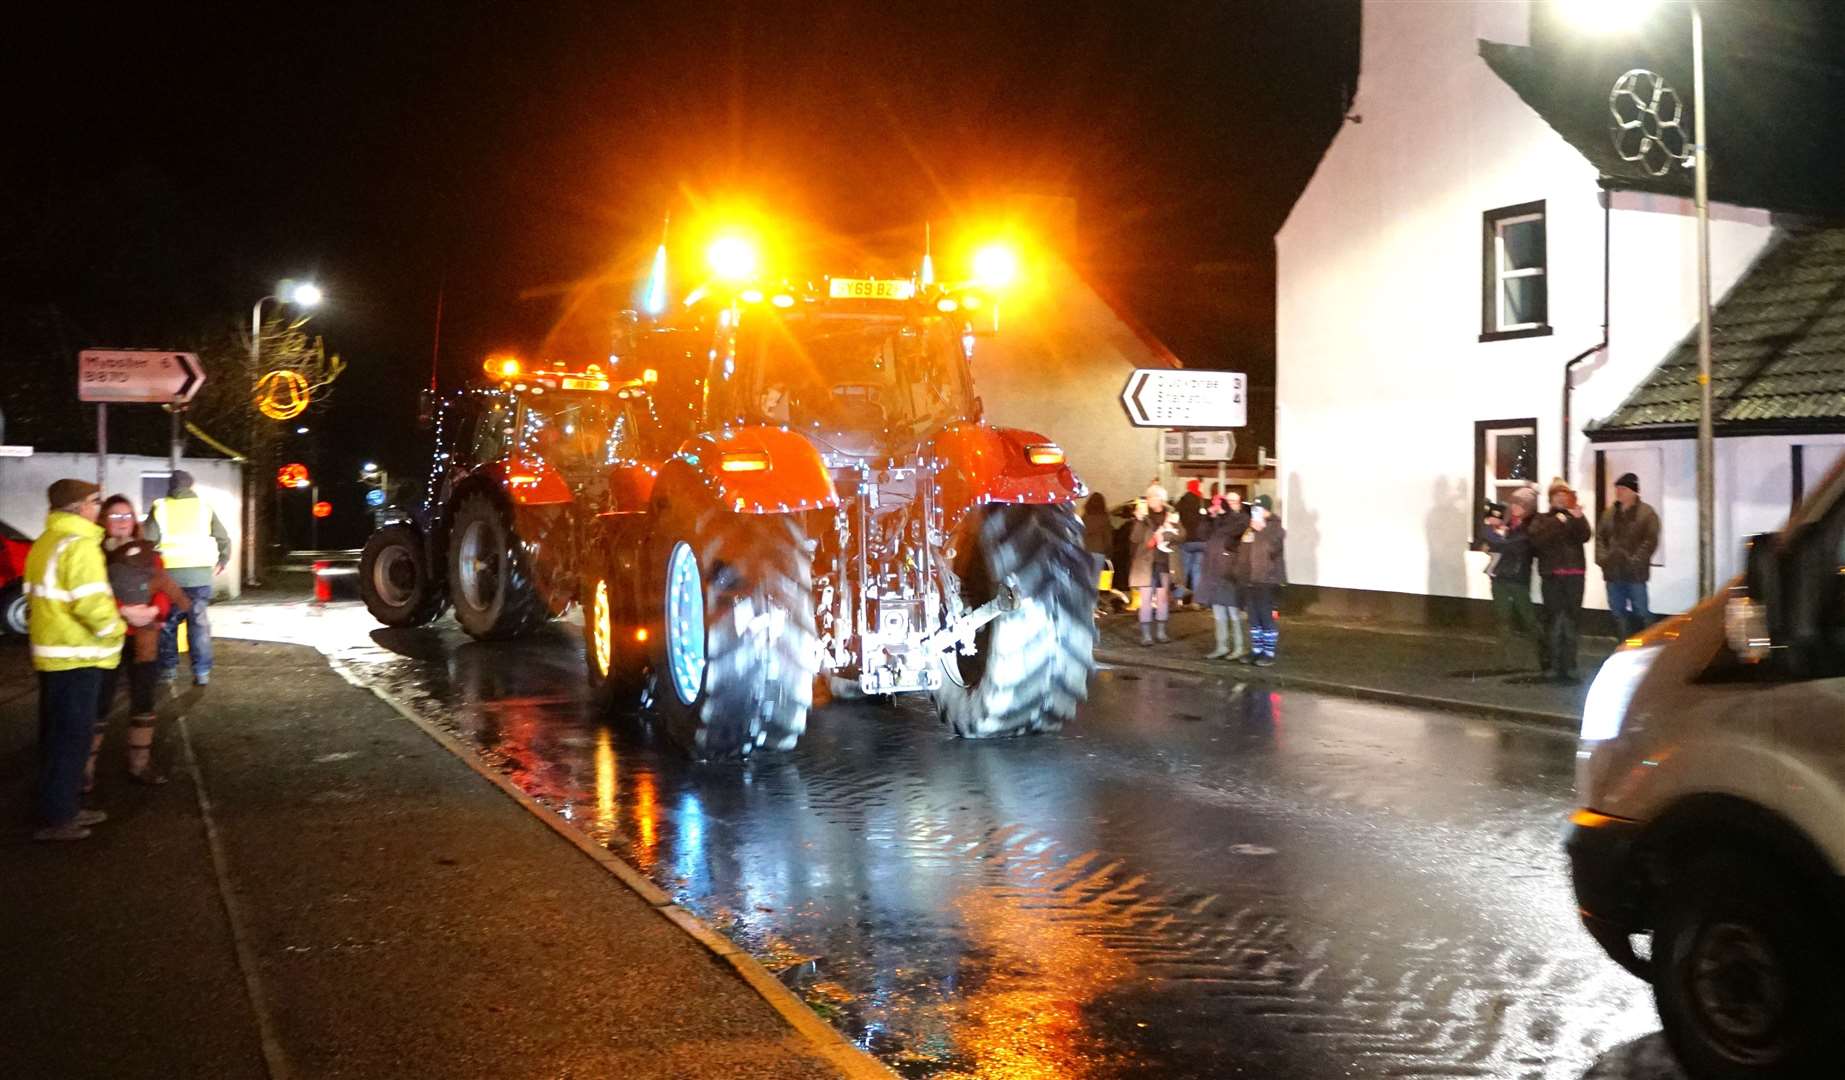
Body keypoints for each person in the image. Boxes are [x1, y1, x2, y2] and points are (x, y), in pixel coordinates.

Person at [24, 480, 150, 841]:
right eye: (95, 501)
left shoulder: (46, 542)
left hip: (53, 655)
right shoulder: (80, 546)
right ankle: (58, 819)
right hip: (77, 657)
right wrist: (119, 625)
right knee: (71, 740)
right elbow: (90, 605)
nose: (99, 507)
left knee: (55, 738)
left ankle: (56, 807)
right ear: (80, 507)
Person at [98, 495, 191, 786]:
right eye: (114, 516)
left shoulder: (150, 554)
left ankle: (140, 764)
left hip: (145, 637)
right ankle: (84, 772)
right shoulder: (94, 555)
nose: (122, 521)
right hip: (107, 638)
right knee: (99, 701)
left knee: (143, 699)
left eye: (127, 516)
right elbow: (92, 593)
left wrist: (154, 609)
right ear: (103, 521)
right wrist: (122, 611)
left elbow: (162, 587)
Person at [143, 470, 229, 687]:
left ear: (170, 486)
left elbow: (148, 540)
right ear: (191, 485)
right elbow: (223, 537)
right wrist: (223, 560)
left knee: (168, 624)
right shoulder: (204, 507)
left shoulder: (160, 507)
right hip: (200, 576)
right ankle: (201, 673)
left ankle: (169, 670)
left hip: (169, 578)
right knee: (198, 625)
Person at [1527, 478, 1592, 683]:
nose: (1561, 499)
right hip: (1553, 576)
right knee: (1554, 621)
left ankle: (1570, 665)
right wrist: (1558, 521)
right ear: (1551, 498)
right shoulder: (1542, 519)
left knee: (1572, 621)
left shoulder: (1574, 517)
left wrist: (1579, 518)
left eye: (1564, 496)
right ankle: (1553, 665)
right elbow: (1537, 540)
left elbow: (1584, 536)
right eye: (1557, 496)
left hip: (1574, 576)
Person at [1480, 486, 1545, 672]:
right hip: (1500, 576)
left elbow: (1511, 546)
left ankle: (1543, 657)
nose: (1515, 507)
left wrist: (1493, 538)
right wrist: (1493, 536)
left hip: (1517, 578)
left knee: (1528, 619)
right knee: (1503, 620)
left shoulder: (1531, 525)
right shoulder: (1508, 523)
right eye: (1514, 503)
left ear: (1528, 507)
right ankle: (1505, 661)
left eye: (1520, 504)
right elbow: (1495, 543)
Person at [1595, 472, 1661, 639]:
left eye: (1623, 488)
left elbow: (1650, 541)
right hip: (1613, 573)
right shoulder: (1609, 514)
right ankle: (1623, 646)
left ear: (1634, 491)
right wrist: (1603, 560)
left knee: (1641, 611)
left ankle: (1646, 645)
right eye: (1617, 488)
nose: (1618, 491)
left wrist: (1635, 561)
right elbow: (1600, 538)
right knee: (1617, 612)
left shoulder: (1647, 513)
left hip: (1635, 575)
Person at [1234, 495, 1287, 667]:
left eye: (1259, 509)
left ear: (1267, 509)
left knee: (1265, 616)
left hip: (1266, 579)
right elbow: (1242, 549)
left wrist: (1261, 531)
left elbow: (1271, 549)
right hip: (1250, 578)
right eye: (1254, 509)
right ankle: (1256, 650)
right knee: (1253, 617)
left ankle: (1269, 652)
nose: (1255, 513)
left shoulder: (1275, 528)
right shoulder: (1251, 529)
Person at [1196, 490, 1250, 660]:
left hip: (1230, 572)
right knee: (1218, 610)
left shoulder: (1242, 519)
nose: (1231, 504)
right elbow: (1202, 534)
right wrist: (1209, 518)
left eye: (1234, 501)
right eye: (1228, 501)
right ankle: (1222, 646)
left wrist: (1223, 514)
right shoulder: (1218, 519)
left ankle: (1240, 647)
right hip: (1214, 571)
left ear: (1239, 503)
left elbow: (1230, 532)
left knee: (1233, 611)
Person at [1128, 483, 1182, 645]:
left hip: (1164, 563)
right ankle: (1146, 635)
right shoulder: (1143, 518)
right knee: (1145, 600)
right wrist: (1138, 521)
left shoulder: (1170, 516)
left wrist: (1166, 536)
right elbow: (1135, 539)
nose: (1150, 500)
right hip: (1146, 565)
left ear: (1161, 499)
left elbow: (1182, 535)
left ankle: (1161, 632)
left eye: (1153, 497)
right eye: (1149, 497)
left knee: (1162, 599)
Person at [1081, 492, 1114, 616]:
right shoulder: (1104, 518)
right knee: (1095, 582)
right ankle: (1093, 607)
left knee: (1086, 581)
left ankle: (1085, 607)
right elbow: (1108, 538)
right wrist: (1109, 552)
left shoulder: (1084, 517)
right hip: (1098, 552)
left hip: (1085, 552)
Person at [1175, 479, 1206, 606]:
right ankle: (1197, 600)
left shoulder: (1182, 501)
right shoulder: (1201, 502)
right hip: (1200, 541)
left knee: (1184, 570)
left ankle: (1179, 599)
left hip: (1186, 541)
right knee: (1197, 570)